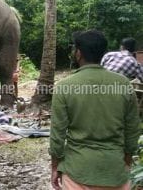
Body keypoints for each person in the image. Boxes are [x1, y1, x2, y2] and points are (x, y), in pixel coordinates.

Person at [50, 30, 140, 190]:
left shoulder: (64, 87)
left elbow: (58, 134)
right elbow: (133, 129)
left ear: (78, 53)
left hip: (77, 172)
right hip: (115, 172)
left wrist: (55, 167)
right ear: (103, 53)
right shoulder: (124, 84)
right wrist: (126, 161)